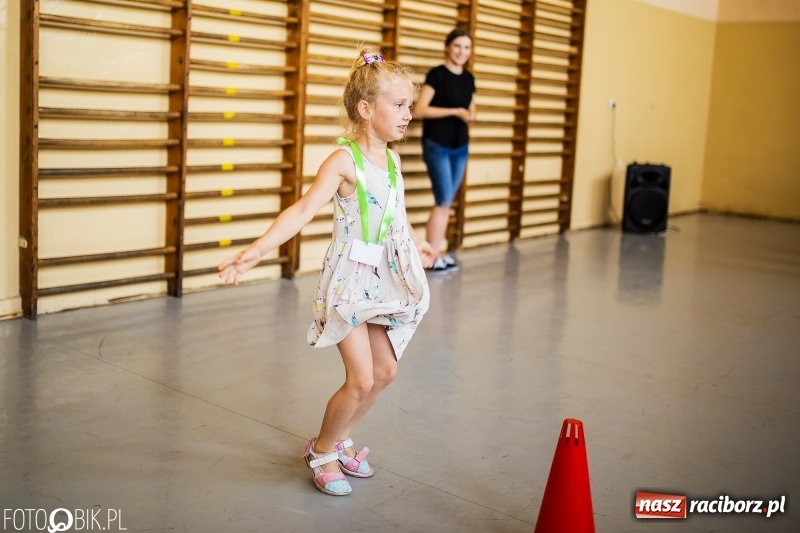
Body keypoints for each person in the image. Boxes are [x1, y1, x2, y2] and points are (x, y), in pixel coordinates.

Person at [217, 47, 435, 497]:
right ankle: (321, 450)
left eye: (410, 105)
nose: (408, 114)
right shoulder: (343, 161)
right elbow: (301, 211)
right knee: (360, 378)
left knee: (385, 374)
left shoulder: (393, 162)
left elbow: (398, 216)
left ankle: (339, 440)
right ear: (366, 108)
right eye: (399, 105)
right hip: (351, 282)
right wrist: (258, 250)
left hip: (387, 279)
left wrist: (418, 243)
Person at [413, 29, 476, 272]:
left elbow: (471, 108)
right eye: (458, 46)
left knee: (446, 203)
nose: (462, 51)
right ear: (448, 47)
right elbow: (419, 109)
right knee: (443, 201)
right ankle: (433, 258)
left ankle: (435, 254)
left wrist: (469, 115)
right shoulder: (437, 75)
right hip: (437, 145)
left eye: (467, 47)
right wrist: (452, 111)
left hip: (460, 145)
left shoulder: (469, 78)